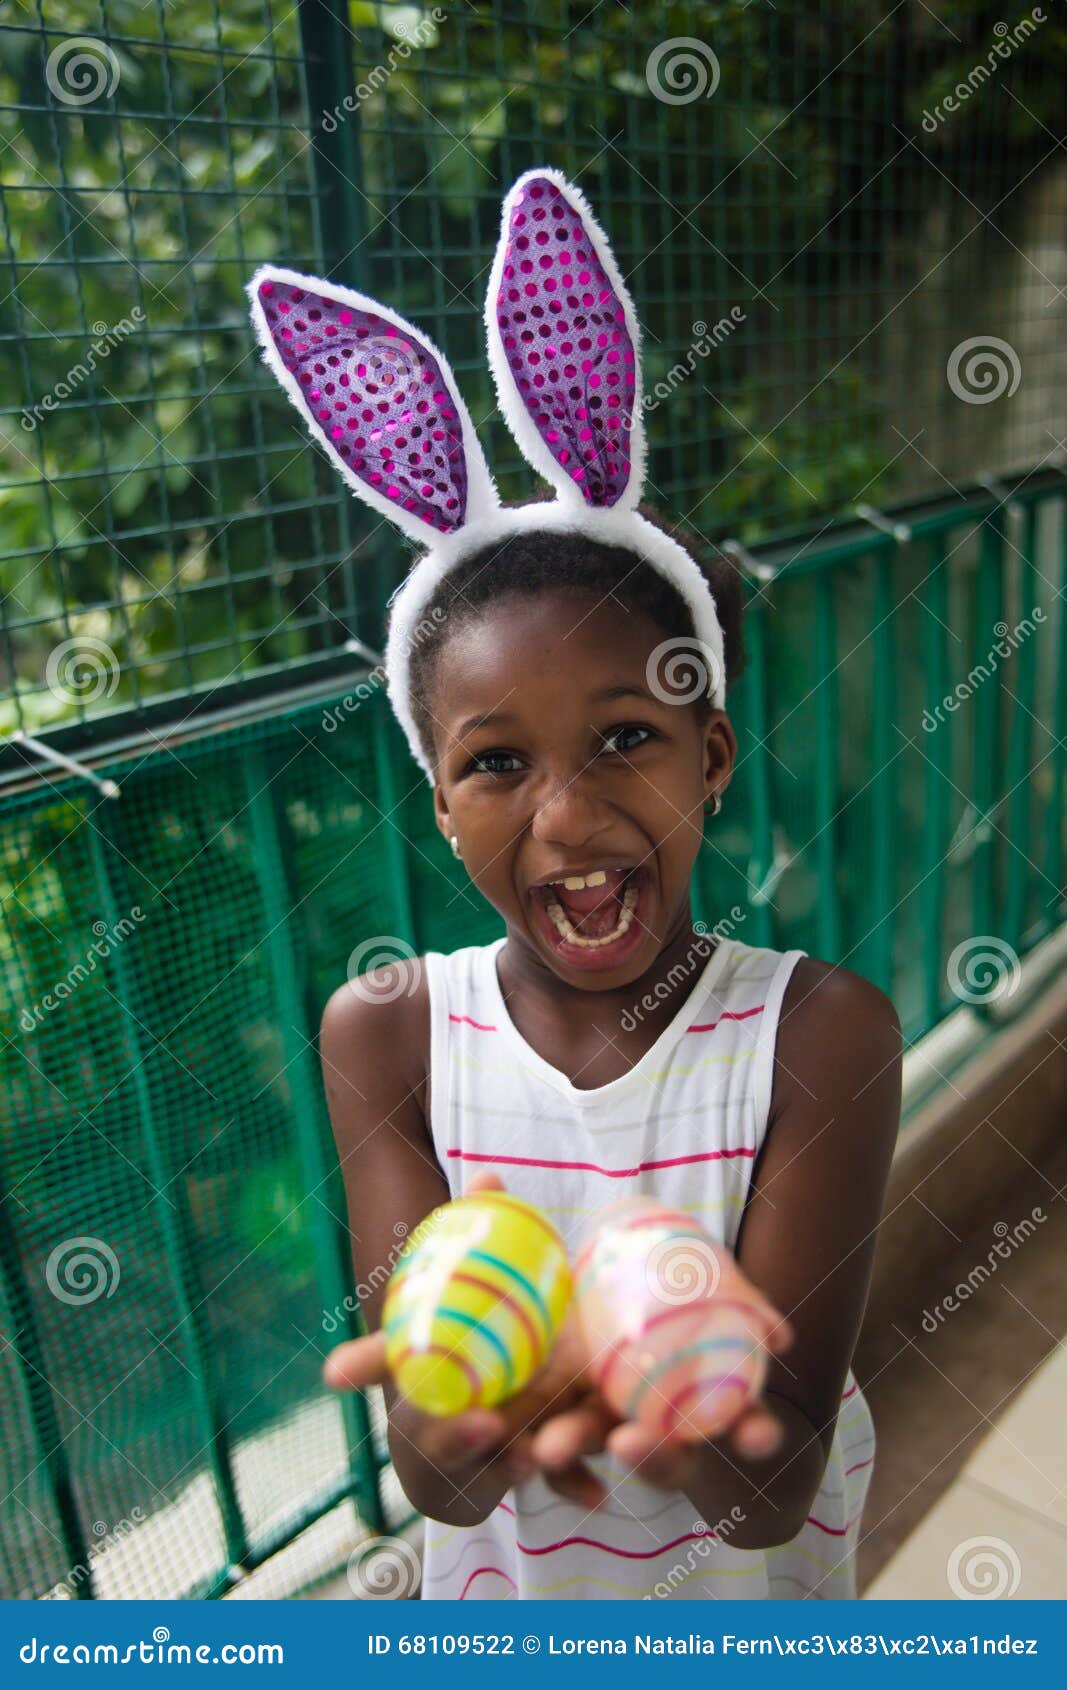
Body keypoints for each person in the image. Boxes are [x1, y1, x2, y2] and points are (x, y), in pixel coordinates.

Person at [247, 168, 902, 1600]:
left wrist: (659, 1360)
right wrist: (474, 1395)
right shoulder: (390, 1036)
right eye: (496, 763)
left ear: (710, 754)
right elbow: (439, 1477)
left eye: (626, 739)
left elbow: (766, 1495)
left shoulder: (820, 1034)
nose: (569, 815)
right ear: (440, 803)